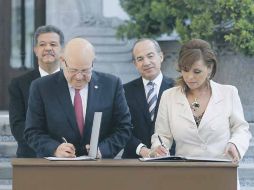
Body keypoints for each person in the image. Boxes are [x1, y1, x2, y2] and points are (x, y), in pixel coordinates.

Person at [24, 38, 132, 158]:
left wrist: (103, 150)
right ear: (62, 61)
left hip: (99, 168)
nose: (79, 77)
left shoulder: (111, 84)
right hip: (56, 169)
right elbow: (32, 132)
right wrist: (54, 149)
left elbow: (124, 127)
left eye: (85, 70)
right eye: (73, 70)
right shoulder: (41, 87)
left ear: (93, 63)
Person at [150, 39, 251, 163]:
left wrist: (235, 144)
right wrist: (158, 148)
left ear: (209, 68)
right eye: (185, 70)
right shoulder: (168, 96)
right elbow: (162, 135)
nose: (189, 77)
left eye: (196, 71)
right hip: (184, 174)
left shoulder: (229, 93)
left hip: (222, 172)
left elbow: (241, 129)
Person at [8, 25, 64, 158]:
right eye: (42, 44)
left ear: (62, 50)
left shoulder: (72, 81)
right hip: (31, 156)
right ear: (35, 50)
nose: (48, 48)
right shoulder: (19, 84)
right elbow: (17, 126)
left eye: (53, 44)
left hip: (66, 155)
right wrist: (50, 146)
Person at [122, 38, 175, 158]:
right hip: (133, 162)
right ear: (135, 64)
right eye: (140, 59)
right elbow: (120, 129)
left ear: (161, 56)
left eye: (150, 56)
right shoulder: (124, 91)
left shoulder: (177, 89)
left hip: (171, 160)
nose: (146, 62)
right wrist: (143, 150)